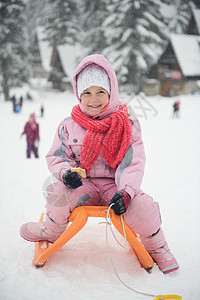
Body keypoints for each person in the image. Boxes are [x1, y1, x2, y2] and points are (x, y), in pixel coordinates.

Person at [20, 54, 179, 274]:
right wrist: (66, 174)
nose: (93, 99)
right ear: (78, 94)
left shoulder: (127, 124)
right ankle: (51, 229)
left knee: (143, 206)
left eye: (100, 92)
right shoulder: (68, 125)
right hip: (83, 186)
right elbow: (57, 156)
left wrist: (126, 192)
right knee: (57, 193)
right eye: (87, 93)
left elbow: (132, 163)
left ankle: (158, 246)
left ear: (111, 92)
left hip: (116, 187)